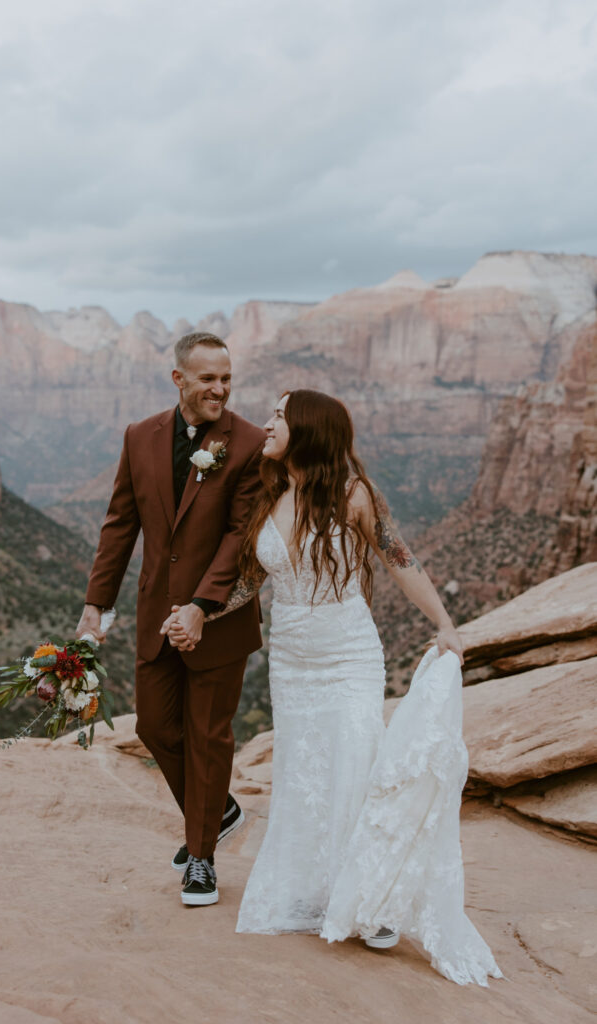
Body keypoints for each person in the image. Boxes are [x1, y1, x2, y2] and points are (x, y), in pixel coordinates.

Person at [168, 388, 503, 985]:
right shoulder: (271, 492)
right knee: (304, 773)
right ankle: (320, 892)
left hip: (349, 655)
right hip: (293, 660)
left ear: (308, 430)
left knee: (356, 763)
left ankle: (371, 902)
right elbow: (249, 582)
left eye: (278, 416)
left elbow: (401, 560)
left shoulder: (354, 496)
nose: (267, 423)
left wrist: (444, 624)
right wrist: (200, 612)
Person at [76, 332, 265, 907]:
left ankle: (202, 859)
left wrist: (201, 606)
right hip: (155, 614)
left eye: (227, 378)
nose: (221, 389)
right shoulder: (140, 437)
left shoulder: (252, 444)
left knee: (208, 737)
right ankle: (219, 810)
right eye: (208, 378)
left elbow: (241, 535)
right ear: (179, 379)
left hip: (219, 621)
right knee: (155, 727)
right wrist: (95, 606)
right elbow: (119, 525)